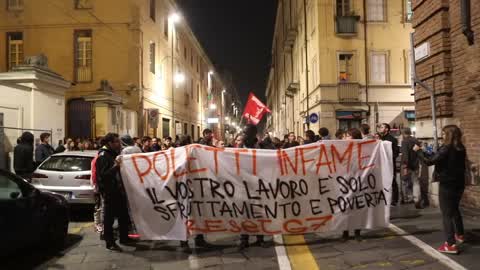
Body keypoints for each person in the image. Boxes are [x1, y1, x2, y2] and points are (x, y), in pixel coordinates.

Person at [413, 125, 466, 254]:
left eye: (443, 133)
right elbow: (437, 157)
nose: (442, 135)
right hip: (459, 183)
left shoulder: (446, 148)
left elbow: (429, 161)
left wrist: (418, 151)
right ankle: (459, 234)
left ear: (448, 135)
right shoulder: (460, 148)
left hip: (447, 184)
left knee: (446, 214)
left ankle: (450, 244)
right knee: (454, 209)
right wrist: (426, 152)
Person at [96, 133, 133, 252]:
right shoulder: (103, 156)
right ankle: (110, 242)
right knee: (109, 219)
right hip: (110, 192)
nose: (119, 144)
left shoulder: (113, 154)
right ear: (109, 143)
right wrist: (116, 166)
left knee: (123, 215)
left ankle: (124, 237)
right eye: (116, 142)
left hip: (118, 190)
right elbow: (103, 176)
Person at [239, 124, 267, 250]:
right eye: (244, 133)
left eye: (246, 132)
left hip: (258, 184)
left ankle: (260, 238)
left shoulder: (262, 146)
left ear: (252, 134)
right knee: (243, 213)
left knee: (258, 211)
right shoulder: (239, 146)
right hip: (242, 184)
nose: (244, 135)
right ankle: (243, 239)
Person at [342, 128, 362, 241]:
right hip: (345, 181)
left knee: (357, 207)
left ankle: (357, 231)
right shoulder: (342, 147)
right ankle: (345, 231)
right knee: (345, 207)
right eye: (345, 136)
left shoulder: (362, 147)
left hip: (359, 180)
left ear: (354, 137)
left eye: (348, 136)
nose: (345, 138)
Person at [400, 127, 425, 207]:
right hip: (416, 164)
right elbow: (419, 152)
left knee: (404, 181)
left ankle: (407, 198)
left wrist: (406, 166)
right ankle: (417, 199)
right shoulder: (415, 140)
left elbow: (405, 155)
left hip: (407, 165)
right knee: (416, 182)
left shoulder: (404, 142)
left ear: (403, 133)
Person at [379, 123, 400, 206]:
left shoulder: (392, 139)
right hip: (381, 164)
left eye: (382, 127)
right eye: (380, 127)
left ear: (387, 129)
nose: (380, 128)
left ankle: (394, 199)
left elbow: (396, 153)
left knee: (392, 181)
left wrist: (389, 158)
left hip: (390, 164)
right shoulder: (380, 139)